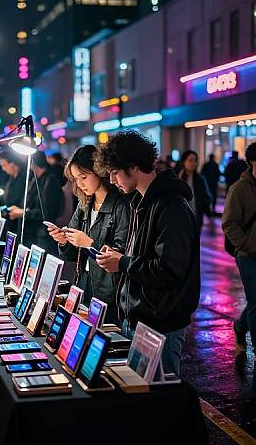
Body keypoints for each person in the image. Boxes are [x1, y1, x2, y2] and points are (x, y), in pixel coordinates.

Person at [95, 131, 200, 376]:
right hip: (141, 319)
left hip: (160, 323)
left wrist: (122, 263)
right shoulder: (143, 202)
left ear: (133, 167)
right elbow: (145, 255)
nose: (112, 180)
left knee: (161, 402)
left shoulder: (170, 205)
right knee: (143, 398)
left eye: (115, 172)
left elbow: (169, 269)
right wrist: (121, 256)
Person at [47, 146, 130, 324]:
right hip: (83, 282)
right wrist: (63, 240)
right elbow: (70, 254)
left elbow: (121, 254)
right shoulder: (84, 205)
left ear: (99, 171)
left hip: (108, 289)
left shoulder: (121, 205)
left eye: (83, 177)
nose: (80, 184)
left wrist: (89, 243)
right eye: (76, 179)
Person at [223, 141, 256, 368]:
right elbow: (229, 223)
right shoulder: (239, 189)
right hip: (249, 256)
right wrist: (246, 245)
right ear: (252, 161)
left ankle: (240, 326)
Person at [9, 150, 63, 255]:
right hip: (32, 234)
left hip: (42, 237)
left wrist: (23, 212)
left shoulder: (50, 180)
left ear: (34, 163)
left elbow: (47, 213)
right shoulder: (36, 179)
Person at [178, 150, 211, 232]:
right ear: (184, 162)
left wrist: (205, 207)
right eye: (190, 160)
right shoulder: (177, 177)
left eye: (195, 160)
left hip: (196, 216)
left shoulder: (200, 179)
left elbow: (206, 196)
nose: (194, 163)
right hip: (179, 218)